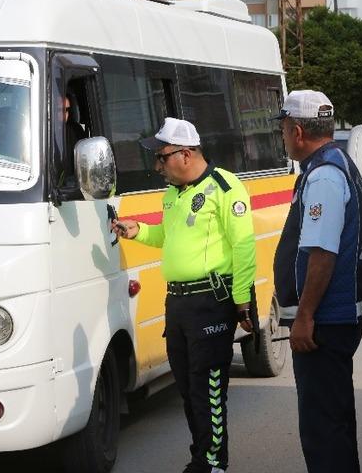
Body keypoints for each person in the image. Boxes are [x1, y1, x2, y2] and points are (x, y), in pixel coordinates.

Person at [113, 117, 255, 473]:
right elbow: (167, 237)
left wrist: (241, 300)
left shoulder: (224, 187)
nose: (157, 166)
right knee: (189, 391)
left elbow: (244, 246)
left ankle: (212, 464)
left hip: (211, 302)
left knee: (208, 391)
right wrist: (139, 231)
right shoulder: (173, 194)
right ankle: (201, 458)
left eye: (161, 157)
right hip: (177, 304)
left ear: (186, 154)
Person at [271, 90, 362, 473]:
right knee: (336, 419)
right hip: (334, 318)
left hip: (324, 323)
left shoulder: (324, 175)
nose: (282, 137)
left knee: (322, 428)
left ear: (297, 131)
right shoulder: (334, 164)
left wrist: (305, 315)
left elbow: (322, 253)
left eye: (282, 129)